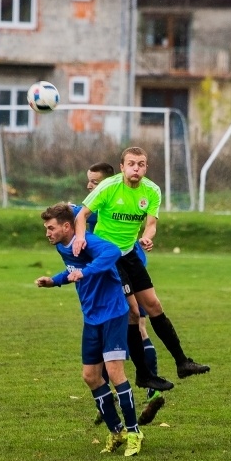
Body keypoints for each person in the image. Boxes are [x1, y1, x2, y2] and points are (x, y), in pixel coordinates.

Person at [73, 147, 210, 383]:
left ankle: (182, 362)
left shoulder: (152, 190)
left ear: (146, 168)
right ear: (122, 167)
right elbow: (81, 215)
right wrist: (80, 238)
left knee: (154, 305)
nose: (136, 168)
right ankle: (144, 374)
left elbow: (151, 224)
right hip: (108, 257)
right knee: (134, 313)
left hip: (129, 253)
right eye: (131, 164)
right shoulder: (108, 187)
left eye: (141, 164)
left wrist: (147, 237)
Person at [35, 203, 144, 456]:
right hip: (92, 316)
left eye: (51, 228)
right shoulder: (63, 246)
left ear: (66, 226)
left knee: (115, 373)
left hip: (113, 312)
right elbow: (72, 271)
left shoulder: (88, 242)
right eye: (46, 228)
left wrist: (87, 272)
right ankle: (117, 431)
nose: (47, 233)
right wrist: (54, 281)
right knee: (90, 376)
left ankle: (134, 432)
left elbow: (113, 252)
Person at [78, 162, 167, 426]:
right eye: (89, 181)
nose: (90, 186)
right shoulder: (105, 202)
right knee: (137, 326)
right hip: (126, 265)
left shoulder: (106, 203)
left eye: (94, 182)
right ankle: (149, 389)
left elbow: (75, 216)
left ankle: (129, 392)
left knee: (123, 327)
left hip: (120, 269)